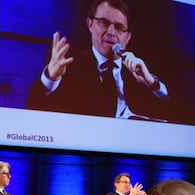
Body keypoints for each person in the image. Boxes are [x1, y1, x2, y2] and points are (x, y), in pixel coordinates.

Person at [27, 0, 170, 121]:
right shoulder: (66, 62)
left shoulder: (141, 68)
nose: (111, 32)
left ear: (128, 37)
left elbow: (178, 113)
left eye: (119, 27)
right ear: (90, 24)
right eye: (104, 23)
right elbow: (32, 109)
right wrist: (50, 78)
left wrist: (151, 83)